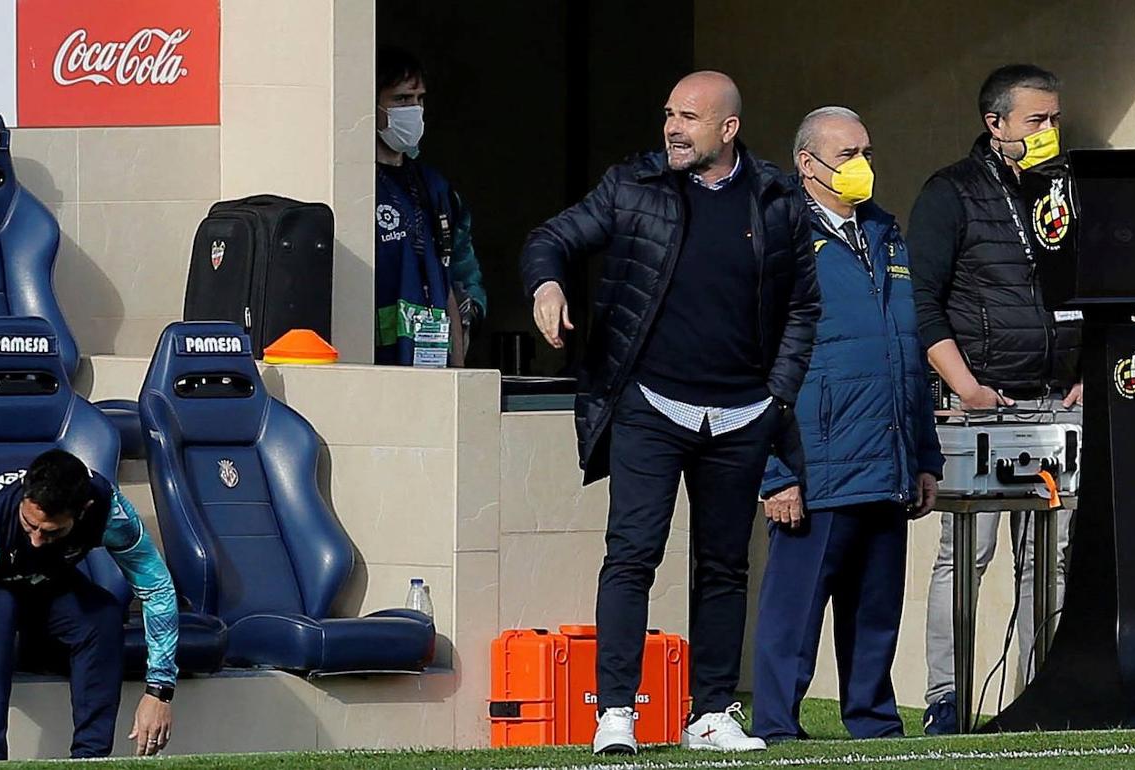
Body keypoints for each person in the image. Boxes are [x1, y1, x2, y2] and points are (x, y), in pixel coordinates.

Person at [520, 70, 820, 755]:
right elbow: (552, 238)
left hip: (743, 414)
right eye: (669, 115)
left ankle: (712, 713)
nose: (673, 129)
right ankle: (616, 713)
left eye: (689, 117)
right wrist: (546, 285)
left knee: (723, 567)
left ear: (728, 128)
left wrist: (777, 397)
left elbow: (804, 307)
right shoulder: (635, 187)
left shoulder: (775, 200)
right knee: (631, 556)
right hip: (650, 406)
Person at [752, 106, 943, 742]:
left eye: (866, 152)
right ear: (807, 166)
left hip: (886, 463)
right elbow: (757, 362)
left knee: (875, 612)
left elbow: (907, 352)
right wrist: (775, 472)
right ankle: (777, 727)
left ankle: (874, 723)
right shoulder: (777, 236)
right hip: (816, 464)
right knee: (794, 614)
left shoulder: (885, 233)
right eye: (846, 156)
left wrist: (924, 456)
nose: (861, 166)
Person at [908, 64, 1081, 735]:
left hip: (1055, 406)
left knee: (1052, 560)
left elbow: (1094, 289)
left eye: (1054, 119)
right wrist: (965, 387)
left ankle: (1039, 696)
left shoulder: (1064, 194)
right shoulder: (950, 193)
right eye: (1036, 120)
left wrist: (1083, 372)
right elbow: (922, 305)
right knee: (965, 557)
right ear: (996, 123)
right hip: (983, 408)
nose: (1048, 131)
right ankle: (947, 700)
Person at [0, 449, 179, 760]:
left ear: (83, 511)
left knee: (103, 615)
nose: (36, 539)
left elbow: (157, 587)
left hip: (42, 584)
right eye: (29, 525)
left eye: (51, 532)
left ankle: (90, 760)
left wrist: (159, 691)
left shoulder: (108, 512)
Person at [374, 45, 487, 367]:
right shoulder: (353, 188)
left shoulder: (434, 188)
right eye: (401, 100)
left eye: (419, 99)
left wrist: (471, 313)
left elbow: (457, 271)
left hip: (434, 364)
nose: (414, 109)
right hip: (372, 368)